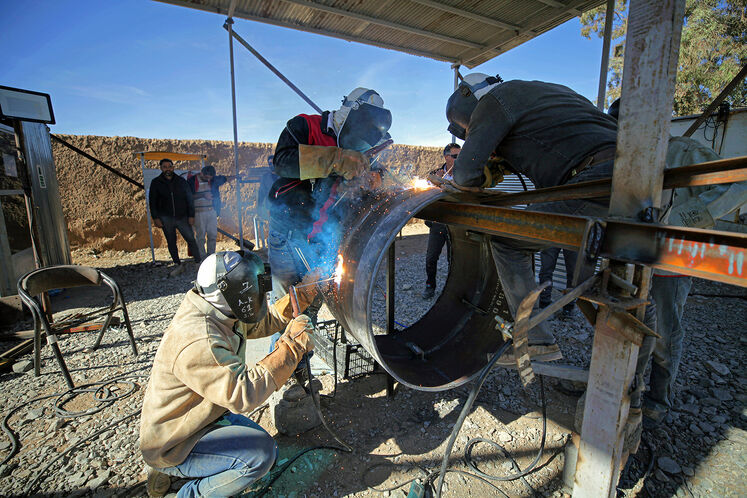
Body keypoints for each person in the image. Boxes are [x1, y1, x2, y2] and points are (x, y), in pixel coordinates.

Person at [446, 74, 623, 366]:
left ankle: (534, 340)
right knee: (587, 283)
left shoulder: (495, 100)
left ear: (468, 96)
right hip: (631, 176)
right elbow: (550, 145)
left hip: (594, 181)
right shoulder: (550, 90)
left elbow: (465, 175)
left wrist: (473, 178)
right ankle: (625, 373)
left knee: (507, 242)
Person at [608, 99, 747, 427]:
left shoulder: (682, 151)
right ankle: (624, 391)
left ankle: (658, 398)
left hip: (669, 265)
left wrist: (682, 219)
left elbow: (737, 184)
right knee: (621, 327)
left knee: (664, 334)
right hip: (630, 259)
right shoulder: (625, 159)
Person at [140, 250, 320, 498]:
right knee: (260, 457)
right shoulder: (199, 339)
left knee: (262, 445)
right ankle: (183, 487)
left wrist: (302, 294)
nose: (259, 295)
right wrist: (292, 346)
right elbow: (243, 393)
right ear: (228, 291)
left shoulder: (220, 308)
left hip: (202, 418)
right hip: (175, 440)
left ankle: (176, 470)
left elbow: (262, 321)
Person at [268, 87, 391, 315]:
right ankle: (281, 349)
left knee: (310, 306)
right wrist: (337, 160)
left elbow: (374, 170)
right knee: (287, 312)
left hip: (323, 237)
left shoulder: (359, 145)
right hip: (288, 234)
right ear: (347, 115)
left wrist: (375, 178)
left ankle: (302, 350)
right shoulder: (304, 125)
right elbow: (283, 162)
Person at [149, 158, 202, 276]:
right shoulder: (156, 182)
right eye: (165, 167)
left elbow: (189, 199)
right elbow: (153, 202)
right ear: (161, 168)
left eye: (169, 166)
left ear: (173, 167)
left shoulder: (181, 181)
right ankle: (177, 264)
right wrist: (156, 218)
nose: (167, 169)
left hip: (182, 217)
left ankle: (198, 262)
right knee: (171, 242)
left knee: (191, 239)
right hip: (166, 218)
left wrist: (191, 215)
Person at [422, 143, 460, 299]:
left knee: (454, 259)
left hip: (456, 224)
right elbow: (425, 194)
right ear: (446, 157)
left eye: (460, 156)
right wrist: (436, 182)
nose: (459, 160)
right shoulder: (435, 174)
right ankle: (430, 285)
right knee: (431, 257)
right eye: (455, 156)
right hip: (438, 223)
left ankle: (453, 289)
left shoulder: (463, 175)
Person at [187, 165, 239, 259]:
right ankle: (201, 257)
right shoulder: (192, 181)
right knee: (200, 236)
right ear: (201, 173)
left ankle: (210, 256)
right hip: (198, 213)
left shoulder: (213, 179)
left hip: (211, 212)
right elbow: (188, 196)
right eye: (206, 177)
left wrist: (236, 176)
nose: (208, 179)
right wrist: (203, 195)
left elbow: (225, 178)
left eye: (210, 178)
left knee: (212, 235)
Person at [537, 247, 577, 316]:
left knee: (573, 272)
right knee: (546, 269)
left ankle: (569, 306)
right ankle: (544, 302)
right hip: (552, 237)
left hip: (576, 238)